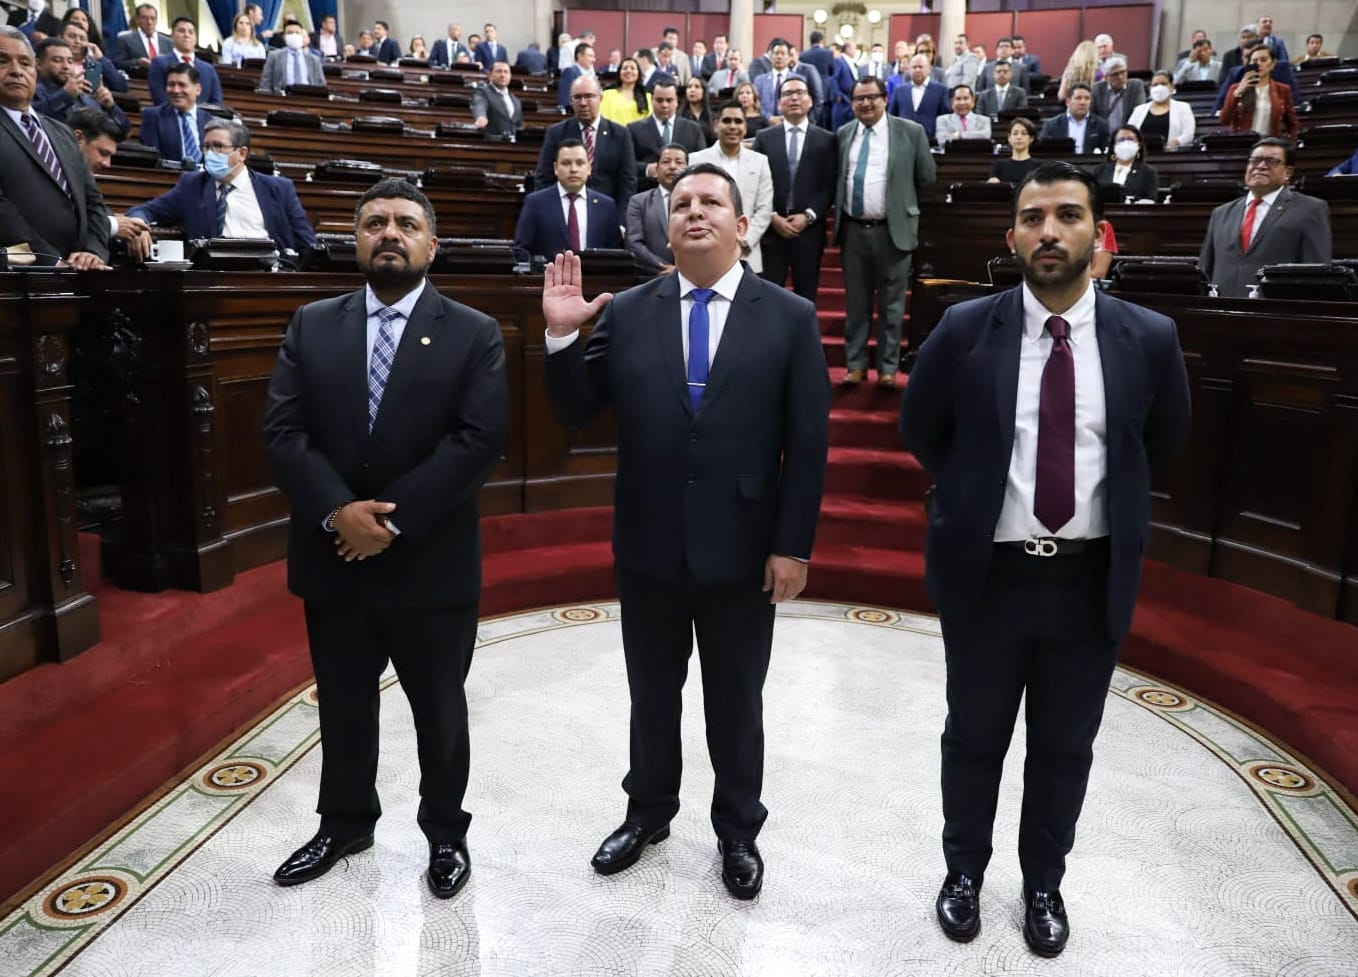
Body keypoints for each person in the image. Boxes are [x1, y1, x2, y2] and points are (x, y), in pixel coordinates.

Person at [900, 159, 1192, 959]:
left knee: (1064, 746)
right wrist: (965, 496)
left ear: (1098, 237)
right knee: (974, 737)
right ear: (1013, 238)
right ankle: (963, 872)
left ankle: (1043, 884)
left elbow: (1161, 444)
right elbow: (921, 427)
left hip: (1088, 578)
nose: (1049, 231)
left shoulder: (1149, 338)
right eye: (1033, 218)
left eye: (1067, 216)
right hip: (990, 577)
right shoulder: (965, 327)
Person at [540, 163, 830, 901]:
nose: (694, 212)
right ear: (666, 226)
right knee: (652, 693)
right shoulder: (631, 308)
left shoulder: (789, 317)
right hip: (649, 543)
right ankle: (648, 813)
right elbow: (576, 410)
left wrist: (793, 544)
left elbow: (809, 441)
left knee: (736, 699)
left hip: (743, 547)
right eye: (681, 204)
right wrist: (560, 336)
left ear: (741, 224)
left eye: (710, 203)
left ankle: (738, 830)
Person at [264, 178, 507, 901]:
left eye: (406, 223)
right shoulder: (312, 323)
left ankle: (445, 831)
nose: (389, 233)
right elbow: (283, 432)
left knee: (439, 709)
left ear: (433, 244)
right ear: (356, 240)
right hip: (332, 554)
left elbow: (477, 442)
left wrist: (390, 523)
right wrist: (340, 512)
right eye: (374, 222)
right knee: (342, 703)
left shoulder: (475, 330)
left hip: (430, 560)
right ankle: (344, 822)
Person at [835, 76, 936, 388]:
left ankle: (888, 368)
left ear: (885, 99)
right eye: (858, 98)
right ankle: (856, 364)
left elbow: (927, 176)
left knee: (892, 306)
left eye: (871, 97)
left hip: (893, 231)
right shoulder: (843, 133)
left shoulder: (910, 132)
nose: (865, 104)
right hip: (853, 231)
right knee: (856, 304)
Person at [0, 27, 109, 269]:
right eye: (3, 61)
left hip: (80, 272)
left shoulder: (63, 132)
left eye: (25, 63)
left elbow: (93, 203)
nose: (16, 71)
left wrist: (93, 251)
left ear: (35, 73)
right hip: (21, 276)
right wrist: (50, 259)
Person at [128, 118, 316, 252]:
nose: (210, 154)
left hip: (268, 273)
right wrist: (137, 226)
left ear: (242, 153)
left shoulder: (279, 188)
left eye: (218, 147)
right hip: (215, 276)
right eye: (207, 147)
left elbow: (307, 243)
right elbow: (144, 211)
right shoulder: (192, 185)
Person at [1199, 137, 1331, 298]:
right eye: (1255, 160)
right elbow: (1205, 270)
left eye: (1271, 161)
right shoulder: (1221, 212)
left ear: (1288, 172)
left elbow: (1316, 273)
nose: (1260, 166)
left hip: (1276, 313)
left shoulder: (1310, 209)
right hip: (1221, 311)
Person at [753, 74, 836, 303]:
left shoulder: (827, 139)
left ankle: (801, 340)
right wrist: (772, 217)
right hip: (772, 231)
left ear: (810, 100)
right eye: (787, 94)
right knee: (768, 297)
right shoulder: (764, 138)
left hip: (808, 231)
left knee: (806, 296)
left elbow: (829, 184)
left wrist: (809, 216)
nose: (794, 98)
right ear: (779, 102)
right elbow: (756, 184)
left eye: (800, 93)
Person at [689, 102, 774, 274]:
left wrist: (744, 240)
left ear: (745, 127)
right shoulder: (696, 161)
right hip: (705, 252)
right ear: (716, 125)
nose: (733, 126)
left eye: (738, 121)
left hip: (747, 252)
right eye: (727, 121)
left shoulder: (760, 162)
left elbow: (764, 209)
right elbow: (692, 205)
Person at [535, 75, 638, 213]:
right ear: (571, 102)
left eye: (589, 96)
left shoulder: (620, 134)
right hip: (566, 212)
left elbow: (628, 183)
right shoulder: (556, 133)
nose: (583, 103)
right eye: (577, 97)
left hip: (606, 214)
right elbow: (544, 178)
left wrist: (621, 222)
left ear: (600, 98)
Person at [66, 107, 152, 262]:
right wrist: (114, 225)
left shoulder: (83, 181)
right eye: (103, 153)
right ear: (78, 138)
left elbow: (99, 214)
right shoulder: (52, 170)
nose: (107, 164)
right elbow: (59, 222)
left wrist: (134, 228)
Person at [514, 139, 622, 260]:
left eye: (580, 163)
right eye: (566, 163)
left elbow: (616, 253)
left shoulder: (606, 206)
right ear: (555, 168)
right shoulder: (535, 203)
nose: (573, 169)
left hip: (593, 277)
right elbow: (522, 250)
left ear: (589, 168)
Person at [32, 37, 130, 137]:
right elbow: (33, 119)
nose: (66, 66)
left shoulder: (87, 94)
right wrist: (65, 95)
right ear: (39, 64)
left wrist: (110, 107)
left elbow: (124, 132)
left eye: (70, 61)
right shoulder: (32, 90)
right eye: (57, 60)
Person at [629, 77, 705, 190]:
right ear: (651, 101)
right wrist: (646, 169)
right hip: (647, 192)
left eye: (669, 100)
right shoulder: (633, 129)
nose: (664, 105)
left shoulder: (693, 130)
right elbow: (626, 164)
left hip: (685, 192)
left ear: (677, 101)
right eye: (659, 100)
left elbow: (701, 163)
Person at [625, 142, 687, 274]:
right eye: (666, 161)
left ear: (687, 169)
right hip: (651, 276)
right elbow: (634, 243)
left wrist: (681, 269)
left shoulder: (697, 203)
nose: (672, 167)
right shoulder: (639, 202)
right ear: (656, 169)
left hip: (692, 276)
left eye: (679, 162)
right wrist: (664, 267)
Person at [138, 62, 213, 163]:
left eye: (182, 85)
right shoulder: (154, 116)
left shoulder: (209, 120)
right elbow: (150, 159)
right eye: (171, 85)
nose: (176, 90)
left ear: (198, 89)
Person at [1219, 44, 1297, 139]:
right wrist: (1238, 92)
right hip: (1242, 143)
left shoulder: (1283, 90)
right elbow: (1224, 119)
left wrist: (1291, 145)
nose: (1259, 64)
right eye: (1255, 61)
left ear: (1272, 64)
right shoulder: (1235, 88)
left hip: (1270, 144)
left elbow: (1292, 124)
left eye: (1263, 60)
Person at [147, 18, 222, 106]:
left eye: (191, 32)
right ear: (172, 36)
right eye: (181, 31)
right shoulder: (159, 63)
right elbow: (159, 98)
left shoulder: (208, 69)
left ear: (196, 38)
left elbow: (216, 102)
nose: (187, 35)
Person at [887, 54, 949, 143]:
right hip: (903, 140)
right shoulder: (899, 91)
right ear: (909, 70)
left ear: (929, 69)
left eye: (920, 67)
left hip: (930, 140)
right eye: (914, 67)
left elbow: (944, 116)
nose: (917, 70)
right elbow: (892, 117)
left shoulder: (941, 90)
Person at [59, 13, 126, 94]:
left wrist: (101, 59)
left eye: (82, 38)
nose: (77, 41)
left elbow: (121, 87)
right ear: (60, 38)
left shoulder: (92, 64)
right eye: (72, 36)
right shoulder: (56, 62)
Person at [1128, 71, 1195, 149]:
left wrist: (1177, 142)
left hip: (1169, 155)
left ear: (1172, 86)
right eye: (1155, 85)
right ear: (1150, 88)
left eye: (1163, 84)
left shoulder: (1183, 107)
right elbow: (1129, 132)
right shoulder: (1139, 110)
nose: (1159, 88)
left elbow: (1189, 133)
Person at [1039, 83, 1110, 154]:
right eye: (1078, 98)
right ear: (1068, 102)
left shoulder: (1101, 125)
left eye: (1087, 98)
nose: (1083, 102)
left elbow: (1106, 153)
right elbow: (1042, 151)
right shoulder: (1052, 125)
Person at [258, 21, 324, 93]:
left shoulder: (314, 60)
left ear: (302, 36)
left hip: (308, 98)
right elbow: (265, 83)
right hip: (282, 99)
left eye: (297, 33)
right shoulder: (274, 56)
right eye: (290, 33)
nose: (294, 35)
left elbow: (321, 85)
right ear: (284, 37)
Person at [1096, 125, 1159, 201]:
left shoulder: (1148, 172)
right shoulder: (1100, 170)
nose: (1125, 143)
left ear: (1139, 145)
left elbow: (1151, 200)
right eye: (1121, 140)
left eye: (1130, 139)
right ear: (1113, 146)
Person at [1090, 57, 1145, 132]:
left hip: (1128, 133)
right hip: (1104, 135)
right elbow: (1092, 115)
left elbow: (1139, 113)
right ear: (1106, 77)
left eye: (1123, 72)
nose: (1120, 77)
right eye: (1115, 74)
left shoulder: (1136, 86)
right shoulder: (1097, 89)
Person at [471, 61, 523, 137]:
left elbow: (519, 126)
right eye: (498, 71)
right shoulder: (483, 92)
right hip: (493, 145)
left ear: (510, 76)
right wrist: (481, 116)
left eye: (506, 72)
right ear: (490, 75)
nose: (502, 75)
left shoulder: (516, 101)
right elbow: (479, 104)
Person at [113, 3, 171, 72]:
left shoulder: (168, 41)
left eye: (153, 18)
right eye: (145, 18)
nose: (149, 22)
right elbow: (117, 63)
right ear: (137, 20)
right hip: (138, 80)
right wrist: (138, 62)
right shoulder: (125, 39)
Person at [988, 117, 1040, 183]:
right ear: (1009, 138)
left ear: (1031, 138)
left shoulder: (1039, 166)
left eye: (1024, 133)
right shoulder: (998, 165)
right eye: (1015, 133)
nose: (1019, 137)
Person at [600, 57, 650, 125]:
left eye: (633, 68)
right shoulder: (606, 94)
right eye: (625, 68)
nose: (628, 71)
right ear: (619, 72)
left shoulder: (647, 97)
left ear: (638, 73)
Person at [557, 42, 595, 111]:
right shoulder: (570, 71)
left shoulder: (590, 76)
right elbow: (566, 100)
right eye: (590, 56)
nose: (593, 60)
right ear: (580, 56)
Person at [678, 75, 716, 145]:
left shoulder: (712, 117)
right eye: (689, 87)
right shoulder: (679, 116)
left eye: (697, 87)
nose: (692, 90)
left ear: (704, 91)